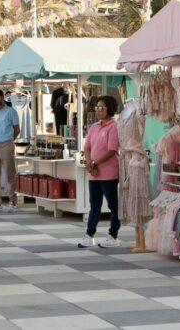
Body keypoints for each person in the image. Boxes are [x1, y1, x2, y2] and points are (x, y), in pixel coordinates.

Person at [78, 95, 121, 248]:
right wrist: (90, 163)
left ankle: (113, 235)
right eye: (96, 107)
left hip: (108, 172)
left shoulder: (114, 126)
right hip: (94, 173)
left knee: (113, 205)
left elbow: (111, 150)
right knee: (94, 205)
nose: (98, 110)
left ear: (109, 109)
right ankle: (89, 235)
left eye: (101, 107)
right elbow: (87, 147)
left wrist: (95, 163)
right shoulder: (94, 127)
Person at [0, 88, 20, 214]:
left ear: (2, 98)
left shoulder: (11, 112)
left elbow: (17, 129)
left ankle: (13, 202)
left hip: (7, 144)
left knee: (10, 175)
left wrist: (10, 139)